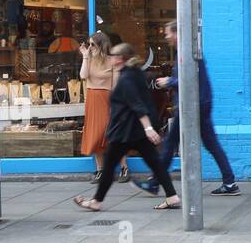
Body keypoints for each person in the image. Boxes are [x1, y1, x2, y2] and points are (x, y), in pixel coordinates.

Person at [136, 20, 240, 196]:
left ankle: (155, 182)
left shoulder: (188, 52)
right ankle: (230, 183)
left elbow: (192, 79)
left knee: (170, 143)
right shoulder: (188, 51)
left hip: (193, 105)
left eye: (168, 33)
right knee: (210, 144)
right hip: (199, 103)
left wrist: (170, 81)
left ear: (177, 33)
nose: (166, 36)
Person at [73, 44, 179, 211]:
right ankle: (172, 196)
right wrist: (147, 128)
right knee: (155, 164)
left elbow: (136, 104)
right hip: (135, 131)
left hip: (124, 131)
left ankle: (96, 202)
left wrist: (149, 129)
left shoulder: (127, 78)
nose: (110, 57)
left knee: (108, 167)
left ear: (119, 59)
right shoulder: (134, 73)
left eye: (113, 55)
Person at [79, 30, 128, 183]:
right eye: (89, 44)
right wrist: (85, 56)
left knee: (112, 134)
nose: (90, 47)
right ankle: (101, 170)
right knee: (95, 135)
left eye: (92, 44)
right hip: (93, 99)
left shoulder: (111, 61)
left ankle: (124, 168)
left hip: (107, 99)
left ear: (101, 45)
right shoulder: (89, 59)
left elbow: (116, 85)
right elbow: (83, 75)